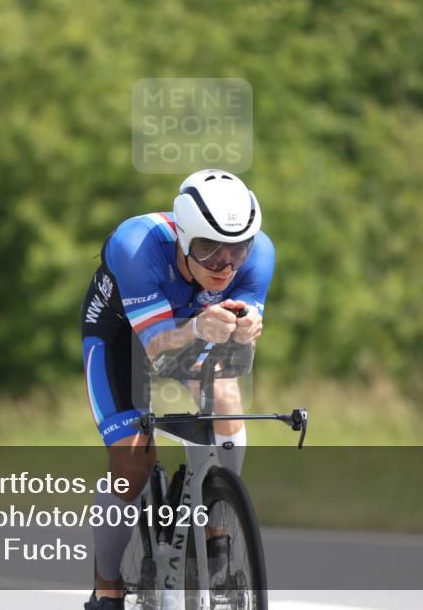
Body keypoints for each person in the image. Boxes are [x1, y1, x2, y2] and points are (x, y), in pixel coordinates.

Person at [80, 169, 275, 609]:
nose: (226, 266)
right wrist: (199, 327)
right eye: (209, 250)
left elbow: (236, 334)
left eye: (237, 250)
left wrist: (247, 327)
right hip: (120, 336)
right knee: (132, 464)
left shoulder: (260, 253)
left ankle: (215, 518)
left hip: (190, 327)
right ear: (183, 239)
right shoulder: (136, 246)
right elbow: (156, 350)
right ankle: (106, 584)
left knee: (227, 400)